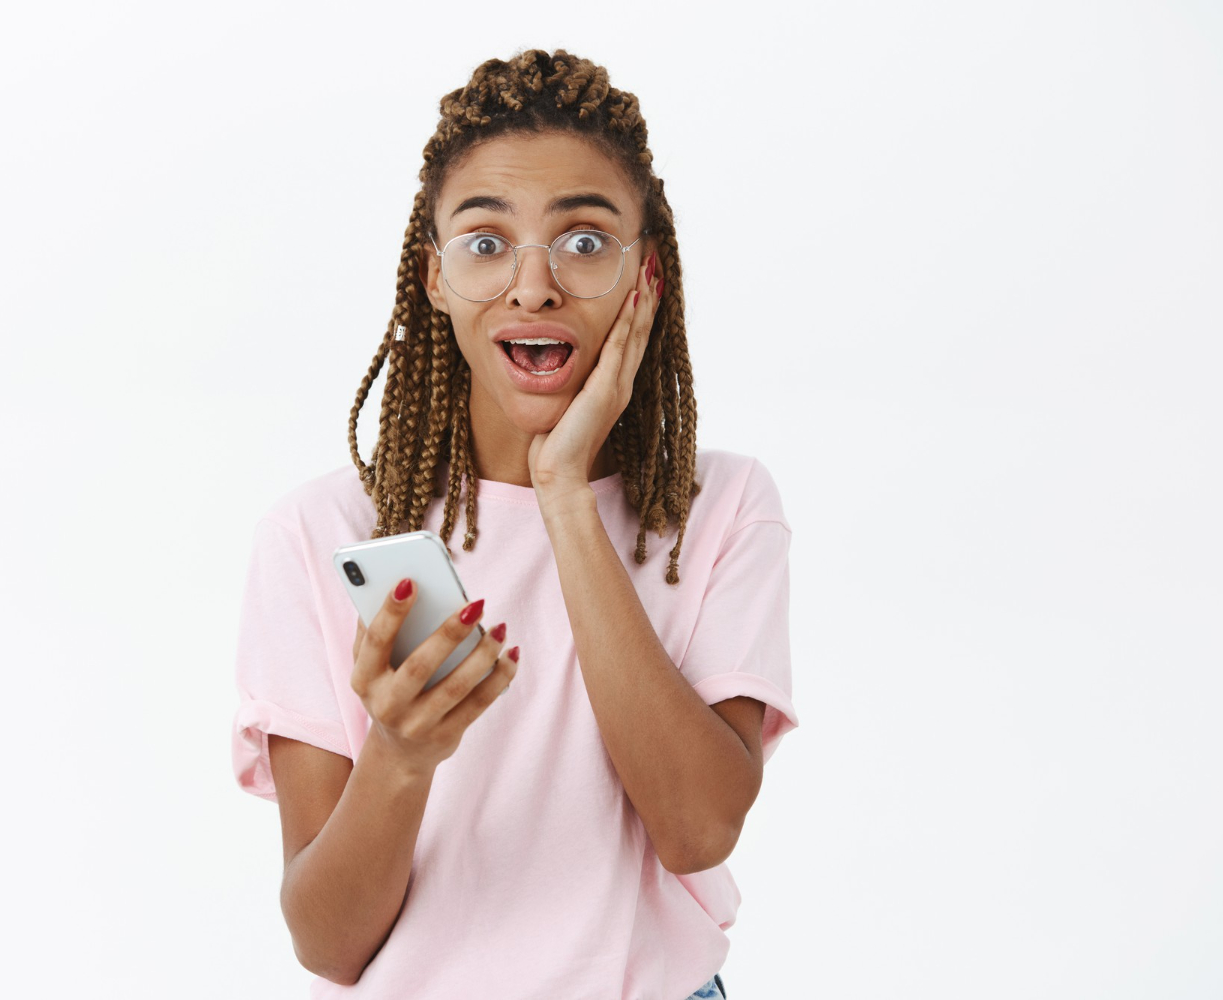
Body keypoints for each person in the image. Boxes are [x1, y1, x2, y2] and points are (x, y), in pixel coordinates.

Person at [230, 48, 797, 999]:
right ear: (434, 276)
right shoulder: (320, 531)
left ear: (646, 273)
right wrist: (401, 754)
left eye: (585, 240)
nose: (533, 287)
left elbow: (699, 829)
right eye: (487, 243)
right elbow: (327, 944)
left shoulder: (722, 506)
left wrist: (564, 491)